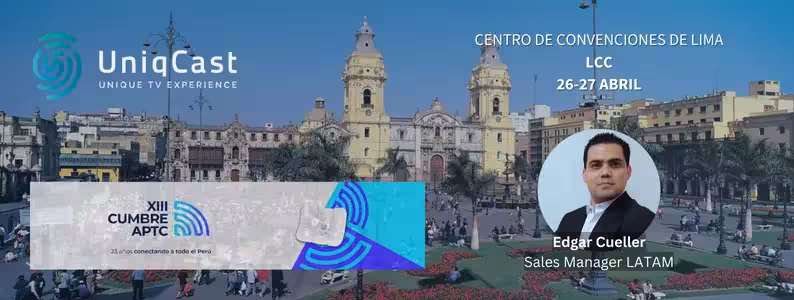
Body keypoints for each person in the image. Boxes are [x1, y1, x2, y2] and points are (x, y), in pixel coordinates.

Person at [555, 133, 655, 251]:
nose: (605, 173)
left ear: (628, 172)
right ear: (584, 175)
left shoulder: (641, 218)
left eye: (615, 164)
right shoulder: (569, 219)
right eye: (596, 165)